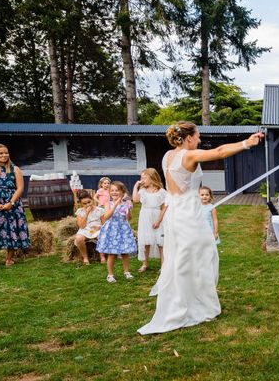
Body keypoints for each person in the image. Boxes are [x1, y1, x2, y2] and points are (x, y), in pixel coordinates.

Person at [137, 121, 264, 334]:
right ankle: (193, 303)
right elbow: (220, 152)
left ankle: (192, 298)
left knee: (185, 256)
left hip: (176, 211)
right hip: (189, 212)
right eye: (197, 136)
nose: (200, 140)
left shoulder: (167, 156)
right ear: (188, 138)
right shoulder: (188, 155)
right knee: (203, 255)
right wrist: (246, 143)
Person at [96, 181, 137, 282]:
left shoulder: (126, 203)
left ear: (122, 192)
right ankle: (110, 275)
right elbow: (106, 216)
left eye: (117, 190)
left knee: (125, 252)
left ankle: (126, 272)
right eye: (112, 190)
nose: (114, 192)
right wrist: (115, 204)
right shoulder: (107, 203)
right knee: (112, 253)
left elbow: (129, 218)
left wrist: (128, 210)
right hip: (112, 230)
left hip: (123, 229)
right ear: (109, 192)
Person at [133, 168, 168, 272]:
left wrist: (159, 220)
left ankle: (163, 265)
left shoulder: (161, 191)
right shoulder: (142, 190)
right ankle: (145, 264)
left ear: (152, 178)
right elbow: (135, 200)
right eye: (141, 178)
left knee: (160, 242)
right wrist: (136, 186)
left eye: (144, 178)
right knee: (146, 241)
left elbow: (165, 207)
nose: (142, 180)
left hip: (157, 217)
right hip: (145, 217)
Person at [74, 190, 107, 265]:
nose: (87, 204)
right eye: (84, 203)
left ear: (92, 200)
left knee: (102, 235)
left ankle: (102, 256)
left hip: (97, 228)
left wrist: (100, 227)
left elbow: (105, 223)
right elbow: (81, 226)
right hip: (85, 229)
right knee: (79, 238)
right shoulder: (80, 211)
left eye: (89, 202)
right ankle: (85, 257)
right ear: (81, 204)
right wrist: (86, 213)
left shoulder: (99, 210)